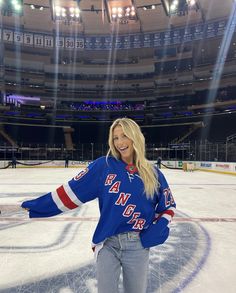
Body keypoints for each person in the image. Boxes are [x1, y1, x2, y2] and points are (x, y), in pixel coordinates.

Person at [21, 118, 176, 293]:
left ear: (135, 137)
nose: (119, 142)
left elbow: (168, 207)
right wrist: (38, 206)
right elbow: (71, 191)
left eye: (124, 136)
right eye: (115, 138)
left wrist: (156, 230)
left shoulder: (153, 173)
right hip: (107, 243)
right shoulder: (104, 166)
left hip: (137, 246)